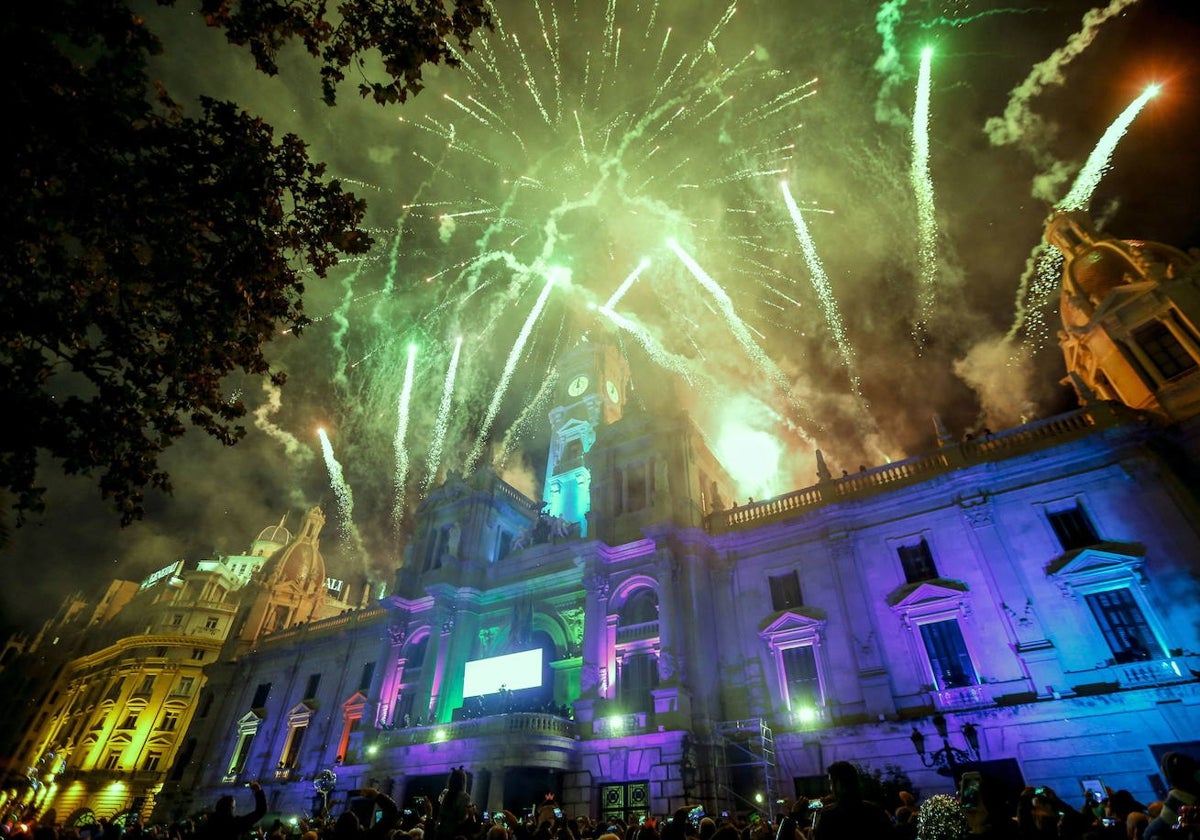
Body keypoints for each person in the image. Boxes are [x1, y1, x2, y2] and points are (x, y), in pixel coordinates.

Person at [812, 761, 893, 839]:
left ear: (838, 784)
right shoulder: (877, 812)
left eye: (831, 783)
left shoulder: (828, 816)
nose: (831, 788)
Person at [195, 780, 267, 839]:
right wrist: (258, 791)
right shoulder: (234, 824)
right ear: (231, 807)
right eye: (234, 806)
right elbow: (261, 811)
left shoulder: (208, 824)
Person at [435, 767, 474, 840]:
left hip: (442, 831)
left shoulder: (446, 795)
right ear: (463, 781)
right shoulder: (465, 797)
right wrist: (471, 814)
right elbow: (462, 817)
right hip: (456, 832)